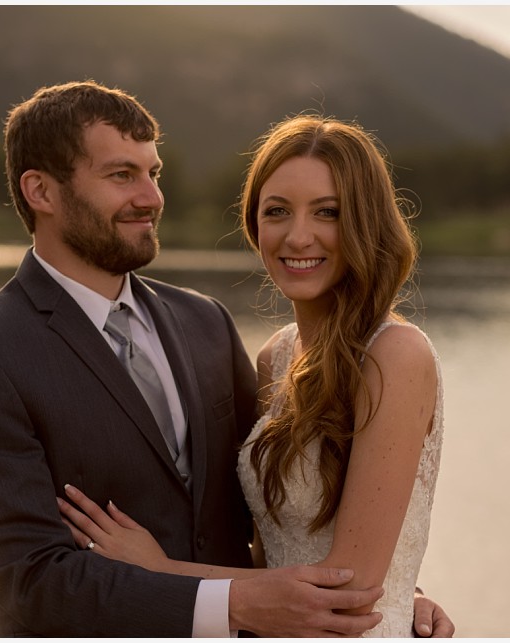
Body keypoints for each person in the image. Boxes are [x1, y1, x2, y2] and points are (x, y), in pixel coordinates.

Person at [0, 80, 452, 637]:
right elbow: (32, 583)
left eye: (154, 173)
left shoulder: (206, 324)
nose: (151, 197)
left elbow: (271, 514)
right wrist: (232, 602)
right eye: (122, 175)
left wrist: (394, 583)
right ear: (41, 192)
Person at [58, 114, 447, 637]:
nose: (298, 235)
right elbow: (269, 556)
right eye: (277, 211)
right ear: (254, 223)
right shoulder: (275, 357)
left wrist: (162, 571)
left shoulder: (396, 355)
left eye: (327, 212)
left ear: (366, 223)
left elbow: (350, 593)